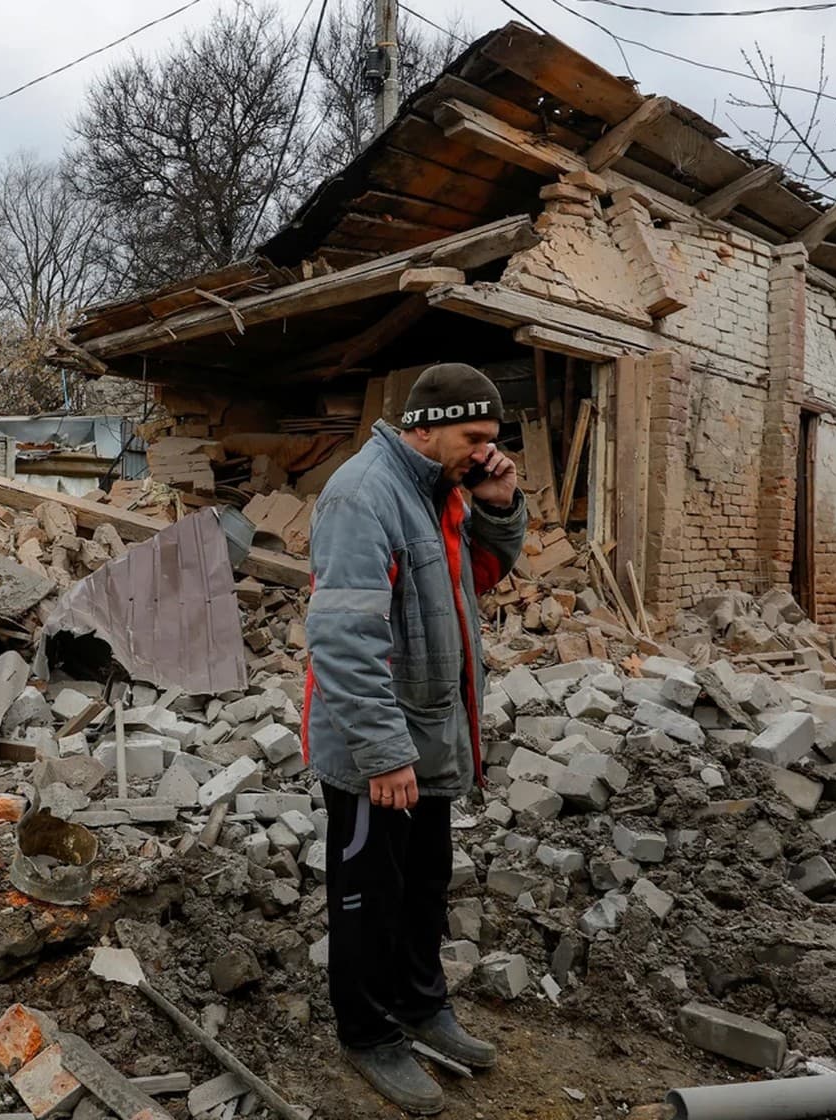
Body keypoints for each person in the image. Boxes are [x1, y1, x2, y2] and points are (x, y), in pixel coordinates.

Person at [304, 362, 528, 1114]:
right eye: (475, 439)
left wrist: (499, 506)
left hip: (430, 735)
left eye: (492, 443)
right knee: (370, 894)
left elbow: (477, 584)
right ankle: (368, 1034)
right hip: (379, 749)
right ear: (426, 426)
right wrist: (384, 752)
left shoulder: (442, 494)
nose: (484, 454)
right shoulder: (363, 496)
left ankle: (422, 1007)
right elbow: (343, 637)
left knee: (426, 886)